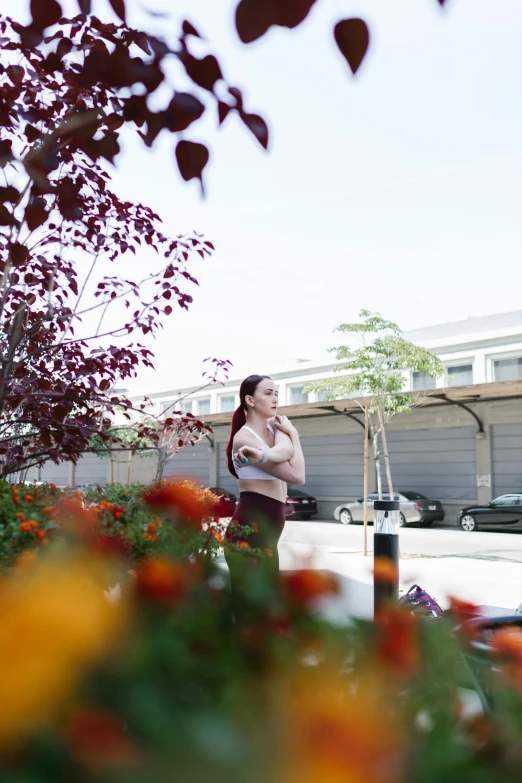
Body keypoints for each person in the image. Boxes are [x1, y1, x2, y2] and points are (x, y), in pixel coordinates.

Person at [224, 375, 305, 603]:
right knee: (252, 612)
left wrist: (291, 437)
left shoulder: (274, 426)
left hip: (267, 537)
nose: (275, 398)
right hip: (249, 533)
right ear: (250, 400)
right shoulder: (243, 439)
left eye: (276, 393)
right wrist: (292, 437)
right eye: (268, 393)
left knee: (267, 611)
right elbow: (297, 474)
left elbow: (286, 451)